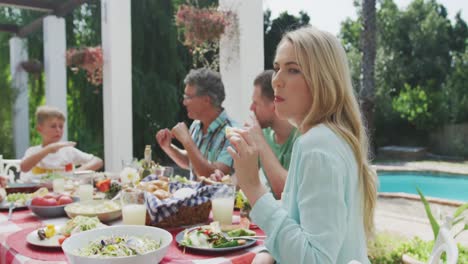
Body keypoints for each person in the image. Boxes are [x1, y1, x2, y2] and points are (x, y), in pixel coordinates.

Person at [226, 26, 378, 263]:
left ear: (322, 81)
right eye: (277, 68)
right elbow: (293, 224)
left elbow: (315, 259)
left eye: (293, 70)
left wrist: (253, 188)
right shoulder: (329, 138)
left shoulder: (317, 146)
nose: (276, 80)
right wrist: (266, 254)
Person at [210, 70, 297, 199]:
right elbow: (241, 179)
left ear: (274, 105)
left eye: (256, 103)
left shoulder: (302, 137)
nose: (251, 108)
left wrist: (259, 140)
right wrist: (224, 184)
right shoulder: (265, 135)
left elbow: (285, 191)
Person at [155, 68, 237, 179]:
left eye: (188, 97)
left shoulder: (233, 134)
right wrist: (168, 147)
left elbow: (212, 177)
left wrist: (187, 140)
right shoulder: (196, 124)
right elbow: (192, 162)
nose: (184, 103)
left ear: (206, 100)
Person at [20, 105, 103, 177]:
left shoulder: (68, 151)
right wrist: (48, 149)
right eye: (53, 126)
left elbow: (98, 161)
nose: (58, 130)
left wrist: (78, 172)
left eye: (61, 126)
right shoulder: (33, 151)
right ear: (39, 129)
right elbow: (24, 167)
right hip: (38, 192)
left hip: (65, 193)